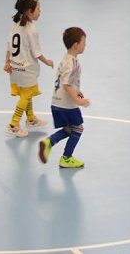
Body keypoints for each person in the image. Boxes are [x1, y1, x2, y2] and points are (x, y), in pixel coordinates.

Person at [38, 27, 90, 169]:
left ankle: (49, 142)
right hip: (67, 105)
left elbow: (67, 83)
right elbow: (67, 85)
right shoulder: (72, 63)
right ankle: (66, 158)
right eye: (84, 42)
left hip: (56, 102)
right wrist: (78, 101)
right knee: (78, 128)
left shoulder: (65, 60)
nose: (85, 45)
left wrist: (78, 92)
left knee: (69, 128)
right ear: (75, 45)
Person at [3, 0, 54, 138]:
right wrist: (48, 61)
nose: (40, 11)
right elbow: (37, 53)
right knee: (25, 95)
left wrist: (6, 62)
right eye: (38, 8)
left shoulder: (16, 24)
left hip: (15, 67)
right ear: (28, 11)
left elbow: (9, 45)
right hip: (26, 68)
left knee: (28, 92)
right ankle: (13, 124)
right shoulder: (32, 29)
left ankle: (31, 119)